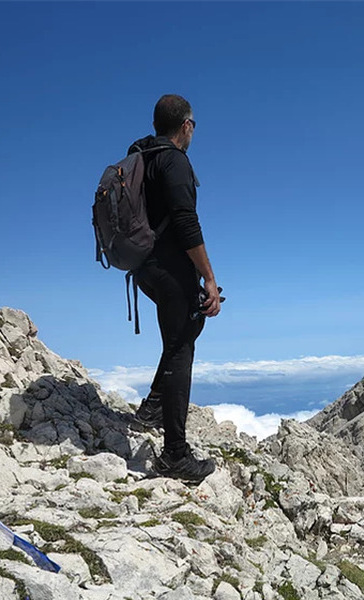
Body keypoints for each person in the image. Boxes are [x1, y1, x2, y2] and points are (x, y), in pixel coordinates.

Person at [129, 94, 222, 482]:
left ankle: (152, 406)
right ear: (186, 125)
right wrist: (209, 278)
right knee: (182, 345)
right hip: (167, 266)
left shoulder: (140, 156)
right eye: (194, 124)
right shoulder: (174, 160)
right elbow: (186, 223)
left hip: (141, 266)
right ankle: (175, 456)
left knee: (185, 327)